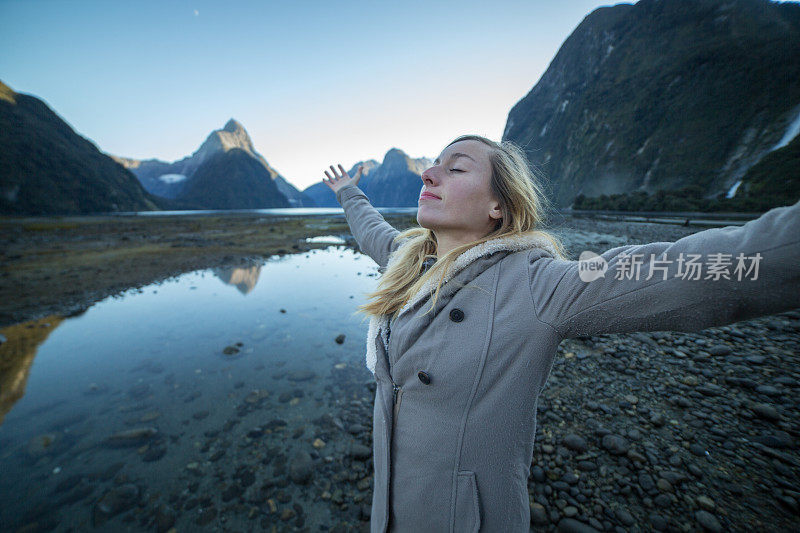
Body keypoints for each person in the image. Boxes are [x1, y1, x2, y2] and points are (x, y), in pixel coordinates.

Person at [322, 134, 800, 533]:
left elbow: (675, 271)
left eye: (457, 168)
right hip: (393, 503)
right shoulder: (409, 263)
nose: (429, 174)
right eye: (434, 166)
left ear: (498, 206)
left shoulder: (539, 284)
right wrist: (347, 191)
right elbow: (373, 232)